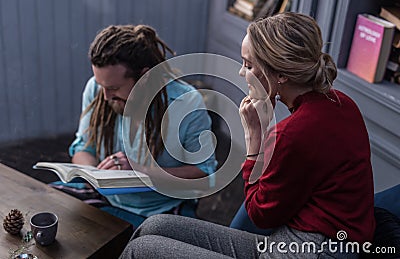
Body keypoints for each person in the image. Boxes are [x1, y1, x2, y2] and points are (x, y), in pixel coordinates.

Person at [119, 13, 375, 258]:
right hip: (320, 241)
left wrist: (255, 138)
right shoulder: (342, 103)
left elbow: (260, 214)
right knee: (154, 226)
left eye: (249, 64)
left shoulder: (291, 134)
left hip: (310, 250)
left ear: (282, 74)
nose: (242, 72)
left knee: (142, 249)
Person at [69, 24, 217, 227]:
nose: (105, 96)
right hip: (104, 199)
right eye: (102, 86)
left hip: (160, 209)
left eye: (113, 88)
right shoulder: (97, 89)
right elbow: (83, 149)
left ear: (144, 78)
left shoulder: (187, 103)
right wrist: (95, 175)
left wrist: (140, 172)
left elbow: (203, 174)